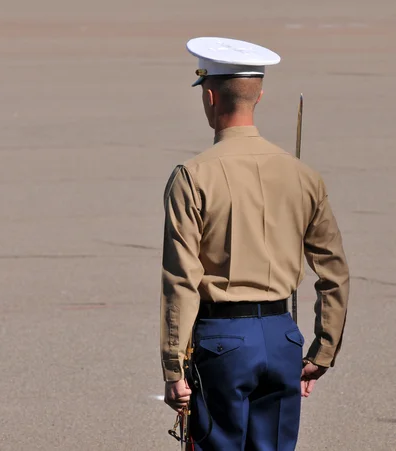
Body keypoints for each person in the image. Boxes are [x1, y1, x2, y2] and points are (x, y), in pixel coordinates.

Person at [159, 37, 350, 451]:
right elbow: (333, 270)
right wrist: (323, 349)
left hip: (221, 340)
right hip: (282, 337)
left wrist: (173, 367)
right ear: (258, 95)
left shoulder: (193, 176)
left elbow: (181, 280)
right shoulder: (302, 175)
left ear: (210, 96)